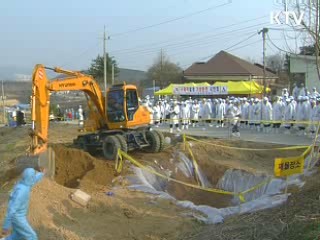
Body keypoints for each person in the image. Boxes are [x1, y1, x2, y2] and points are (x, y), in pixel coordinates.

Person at [2, 168, 45, 240]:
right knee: (32, 236)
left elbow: (34, 179)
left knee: (18, 235)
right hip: (17, 217)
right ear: (29, 178)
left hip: (19, 216)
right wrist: (6, 226)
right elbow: (12, 209)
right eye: (32, 176)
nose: (33, 178)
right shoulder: (21, 191)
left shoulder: (26, 183)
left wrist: (42, 173)